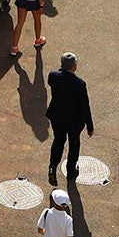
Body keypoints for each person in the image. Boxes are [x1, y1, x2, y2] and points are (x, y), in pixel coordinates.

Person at [45, 52, 94, 180]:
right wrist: (90, 126)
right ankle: (71, 170)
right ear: (73, 67)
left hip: (58, 117)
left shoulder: (53, 76)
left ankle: (52, 167)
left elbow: (52, 81)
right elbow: (85, 106)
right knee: (74, 145)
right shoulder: (79, 84)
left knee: (58, 141)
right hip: (74, 121)